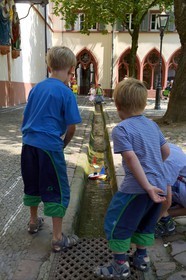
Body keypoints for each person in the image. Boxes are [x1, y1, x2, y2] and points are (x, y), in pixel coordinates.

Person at [94, 78, 170, 278]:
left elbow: (130, 157)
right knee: (145, 222)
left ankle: (120, 266)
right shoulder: (152, 125)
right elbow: (166, 151)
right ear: (144, 104)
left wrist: (146, 185)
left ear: (118, 106)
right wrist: (154, 172)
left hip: (136, 188)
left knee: (116, 222)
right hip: (160, 185)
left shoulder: (122, 128)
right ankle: (142, 259)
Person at [21, 46, 82, 252]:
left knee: (33, 182)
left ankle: (32, 221)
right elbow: (71, 127)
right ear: (71, 69)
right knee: (57, 189)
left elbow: (25, 117)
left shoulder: (37, 88)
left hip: (28, 145)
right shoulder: (66, 93)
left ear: (49, 66)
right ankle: (57, 238)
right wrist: (62, 145)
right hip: (49, 147)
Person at [155, 143, 186, 238]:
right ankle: (165, 215)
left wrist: (151, 222)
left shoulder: (167, 161)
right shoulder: (167, 146)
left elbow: (166, 200)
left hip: (180, 186)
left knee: (152, 184)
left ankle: (163, 218)